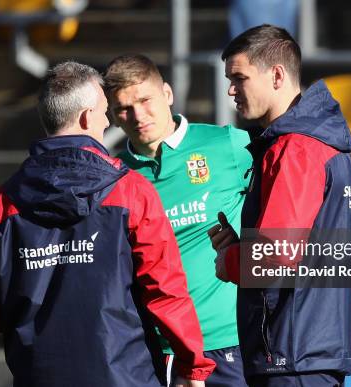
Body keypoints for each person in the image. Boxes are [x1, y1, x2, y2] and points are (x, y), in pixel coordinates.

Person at [0, 61, 215, 387]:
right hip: (125, 375)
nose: (108, 121)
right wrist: (192, 366)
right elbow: (166, 290)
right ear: (88, 116)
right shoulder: (131, 190)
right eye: (106, 111)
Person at [208, 25, 351, 387]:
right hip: (312, 351)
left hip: (291, 357)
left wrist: (230, 261)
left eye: (239, 78)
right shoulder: (326, 143)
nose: (231, 89)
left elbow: (277, 254)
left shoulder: (295, 148)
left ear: (276, 75)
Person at [104, 54, 252, 387]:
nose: (138, 115)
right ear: (112, 117)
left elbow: (284, 204)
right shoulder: (115, 177)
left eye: (145, 100)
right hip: (156, 349)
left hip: (228, 340)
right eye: (124, 108)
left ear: (167, 94)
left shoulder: (226, 144)